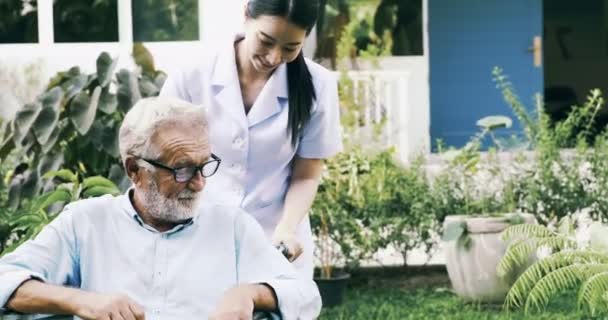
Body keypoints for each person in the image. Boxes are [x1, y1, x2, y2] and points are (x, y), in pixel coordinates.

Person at [0, 97, 321, 320]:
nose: (199, 183)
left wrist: (250, 293)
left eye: (204, 166)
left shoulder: (230, 225)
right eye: (181, 170)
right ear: (134, 170)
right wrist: (82, 301)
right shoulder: (85, 222)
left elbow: (306, 297)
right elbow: (4, 281)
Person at [160, 0, 343, 279]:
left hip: (275, 239)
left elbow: (306, 174)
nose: (273, 57)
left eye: (290, 48)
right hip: (197, 234)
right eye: (266, 41)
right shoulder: (192, 73)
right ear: (246, 14)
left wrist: (287, 229)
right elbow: (162, 158)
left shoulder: (318, 86)